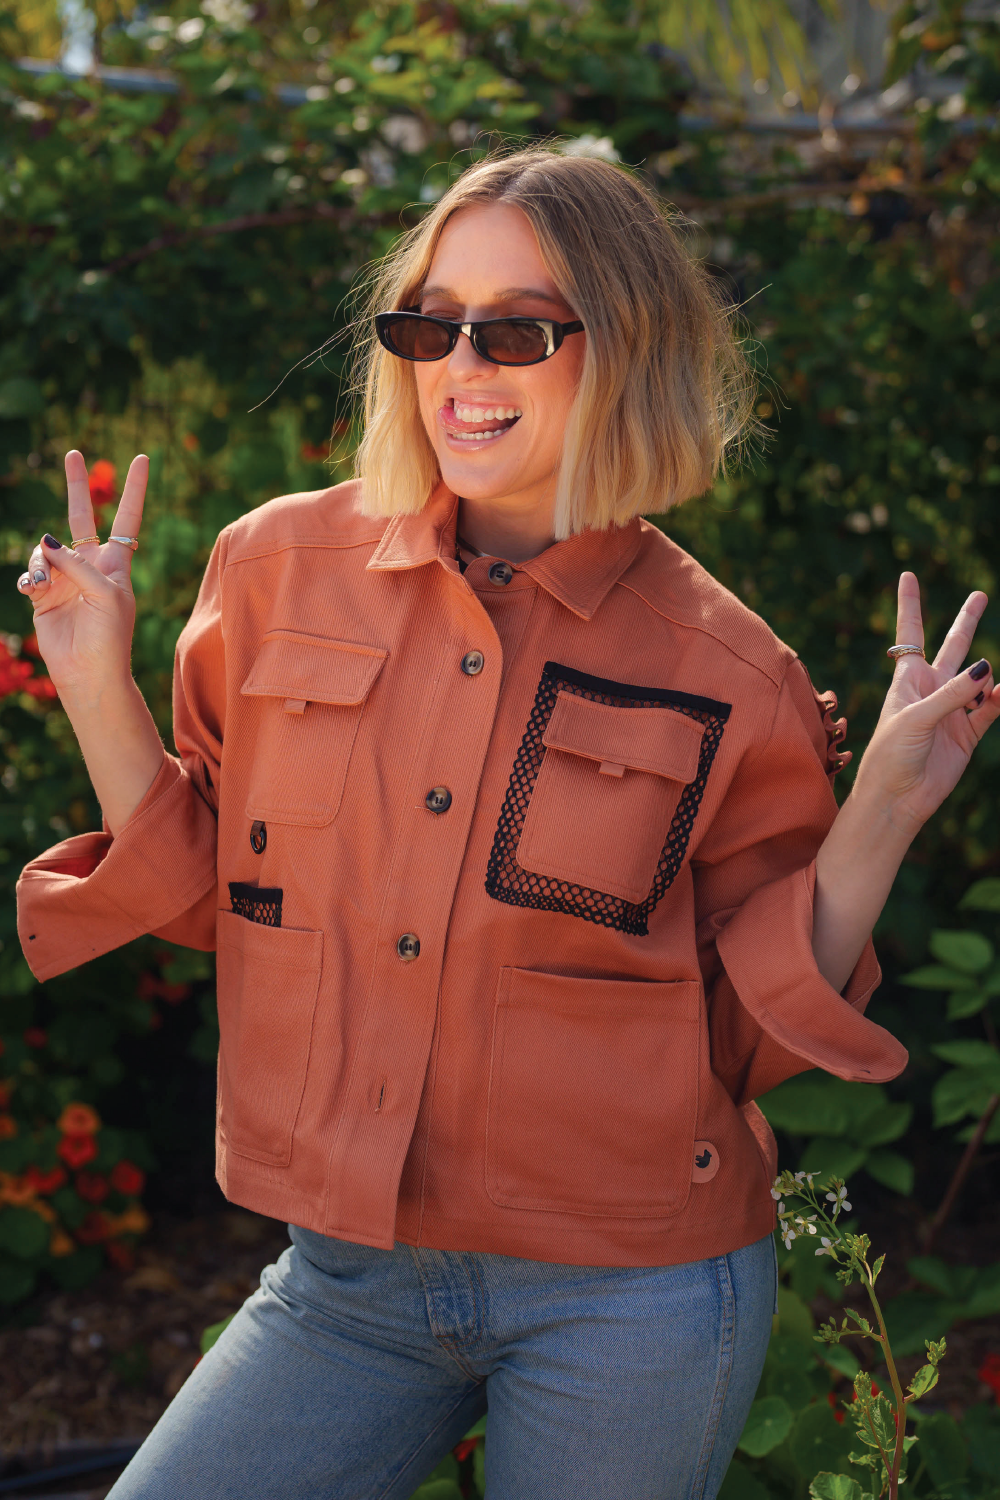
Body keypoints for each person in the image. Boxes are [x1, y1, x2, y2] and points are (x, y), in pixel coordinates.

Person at [15, 147, 999, 1500]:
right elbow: (214, 903)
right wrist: (90, 678)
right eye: (430, 323)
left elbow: (739, 1036)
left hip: (632, 1294)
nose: (461, 366)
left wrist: (880, 811)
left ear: (627, 345)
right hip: (348, 1278)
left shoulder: (733, 673)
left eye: (518, 328)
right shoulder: (272, 570)